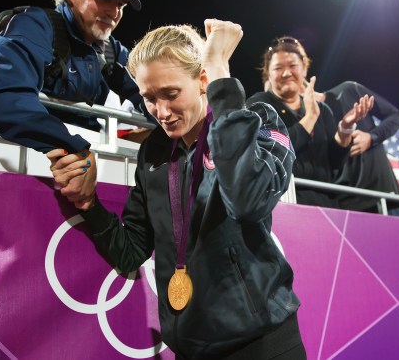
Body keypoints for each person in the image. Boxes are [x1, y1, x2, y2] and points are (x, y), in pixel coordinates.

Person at [48, 20, 307, 359]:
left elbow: (248, 200)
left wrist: (220, 74)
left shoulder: (255, 119)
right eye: (149, 98)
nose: (162, 112)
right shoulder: (153, 152)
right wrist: (88, 204)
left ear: (202, 80)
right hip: (190, 349)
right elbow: (131, 253)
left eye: (171, 94)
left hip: (263, 345)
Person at [0, 0, 144, 157]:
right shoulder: (33, 26)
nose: (114, 13)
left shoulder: (111, 50)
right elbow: (7, 99)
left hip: (82, 165)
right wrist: (73, 149)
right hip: (5, 161)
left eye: (121, 4)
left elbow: (153, 91)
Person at [247, 36, 374, 209]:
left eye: (293, 66)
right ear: (268, 74)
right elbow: (273, 150)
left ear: (304, 69)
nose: (286, 73)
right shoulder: (259, 105)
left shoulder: (323, 110)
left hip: (326, 200)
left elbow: (336, 162)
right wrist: (310, 117)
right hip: (283, 199)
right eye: (278, 68)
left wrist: (345, 128)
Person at [315, 80, 399, 216]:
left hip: (386, 197)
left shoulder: (348, 90)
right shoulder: (303, 122)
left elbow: (396, 116)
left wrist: (371, 137)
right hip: (346, 207)